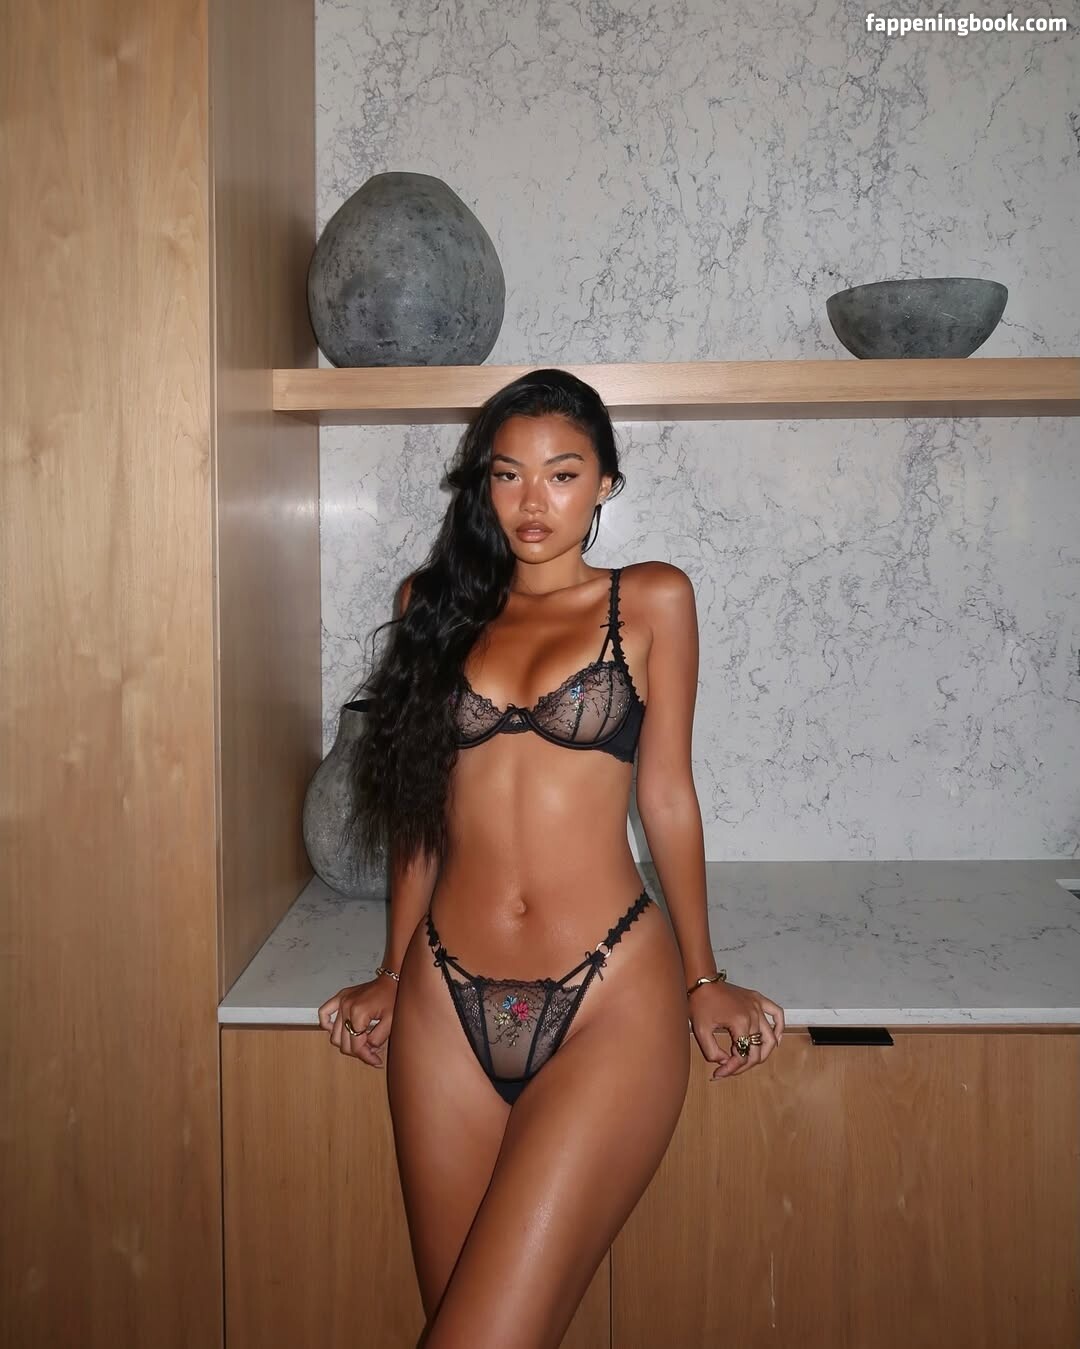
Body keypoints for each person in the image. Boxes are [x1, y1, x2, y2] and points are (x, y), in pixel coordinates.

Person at [318, 368, 785, 1348]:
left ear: (606, 482)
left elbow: (666, 795)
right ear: (483, 484)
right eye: (509, 474)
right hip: (443, 1002)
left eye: (563, 474)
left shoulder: (650, 599)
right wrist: (391, 969)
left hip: (605, 994)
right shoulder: (432, 605)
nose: (534, 501)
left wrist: (705, 977)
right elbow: (418, 810)